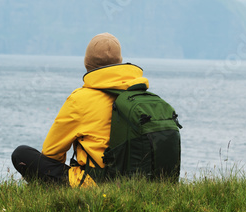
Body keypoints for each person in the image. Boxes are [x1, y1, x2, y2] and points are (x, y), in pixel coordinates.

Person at [12, 32, 148, 187]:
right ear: (120, 62)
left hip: (95, 184)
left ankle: (44, 192)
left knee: (21, 154)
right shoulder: (140, 96)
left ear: (87, 64)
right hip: (137, 182)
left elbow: (51, 153)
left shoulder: (80, 99)